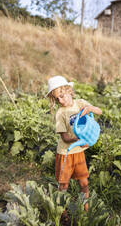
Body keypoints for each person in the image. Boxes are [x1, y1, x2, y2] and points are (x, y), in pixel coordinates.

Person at [47, 75, 102, 211]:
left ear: (69, 91)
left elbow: (99, 111)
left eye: (62, 95)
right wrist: (79, 140)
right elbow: (65, 138)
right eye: (57, 98)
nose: (61, 100)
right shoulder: (60, 113)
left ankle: (86, 208)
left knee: (84, 182)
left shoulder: (80, 103)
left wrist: (90, 109)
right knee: (63, 185)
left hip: (78, 153)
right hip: (65, 153)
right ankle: (61, 211)